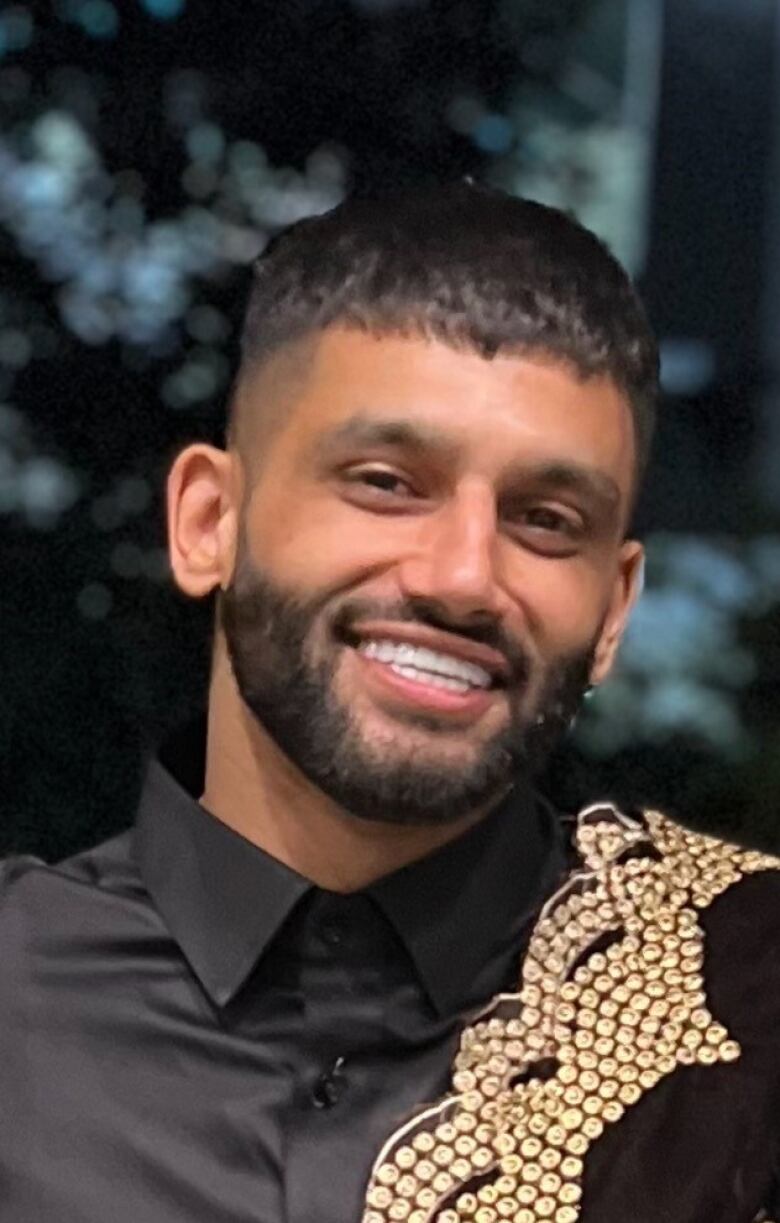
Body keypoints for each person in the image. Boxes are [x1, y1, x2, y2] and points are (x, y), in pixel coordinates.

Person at [1, 183, 778, 1223]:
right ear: (207, 521)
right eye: (385, 480)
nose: (463, 575)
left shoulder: (748, 998)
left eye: (546, 520)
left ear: (611, 608)